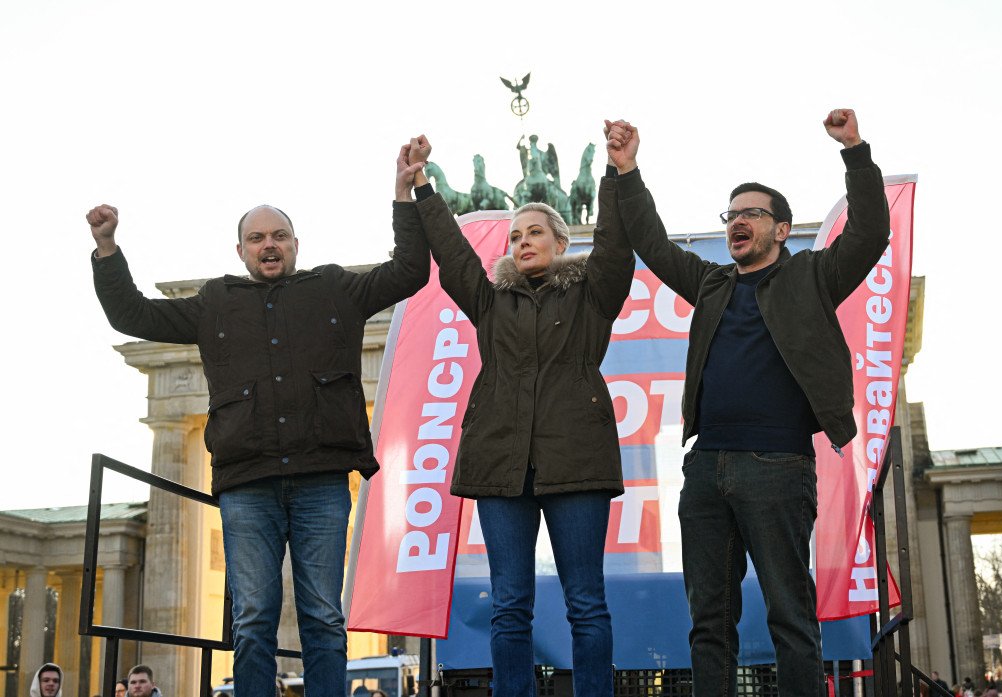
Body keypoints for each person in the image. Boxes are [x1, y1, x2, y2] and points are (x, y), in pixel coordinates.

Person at [88, 148, 431, 697]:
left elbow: (411, 270)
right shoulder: (215, 303)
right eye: (257, 238)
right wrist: (107, 249)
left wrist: (403, 194)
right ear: (241, 250)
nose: (269, 245)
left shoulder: (334, 289)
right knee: (252, 618)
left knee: (323, 615)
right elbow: (133, 314)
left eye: (280, 236)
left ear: (296, 246)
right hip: (248, 483)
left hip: (321, 478)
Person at [606, 108, 890, 697]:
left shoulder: (813, 276)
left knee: (790, 615)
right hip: (706, 469)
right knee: (709, 622)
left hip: (777, 469)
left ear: (781, 229)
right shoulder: (711, 284)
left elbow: (869, 234)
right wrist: (627, 169)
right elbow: (653, 245)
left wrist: (854, 150)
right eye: (730, 214)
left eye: (750, 214)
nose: (737, 222)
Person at [411, 132, 634, 697]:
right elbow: (453, 254)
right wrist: (422, 189)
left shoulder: (592, 295)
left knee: (585, 602)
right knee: (509, 603)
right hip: (501, 464)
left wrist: (616, 172)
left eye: (535, 231)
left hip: (575, 461)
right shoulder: (490, 300)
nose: (522, 241)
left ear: (562, 241)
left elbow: (614, 244)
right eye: (514, 235)